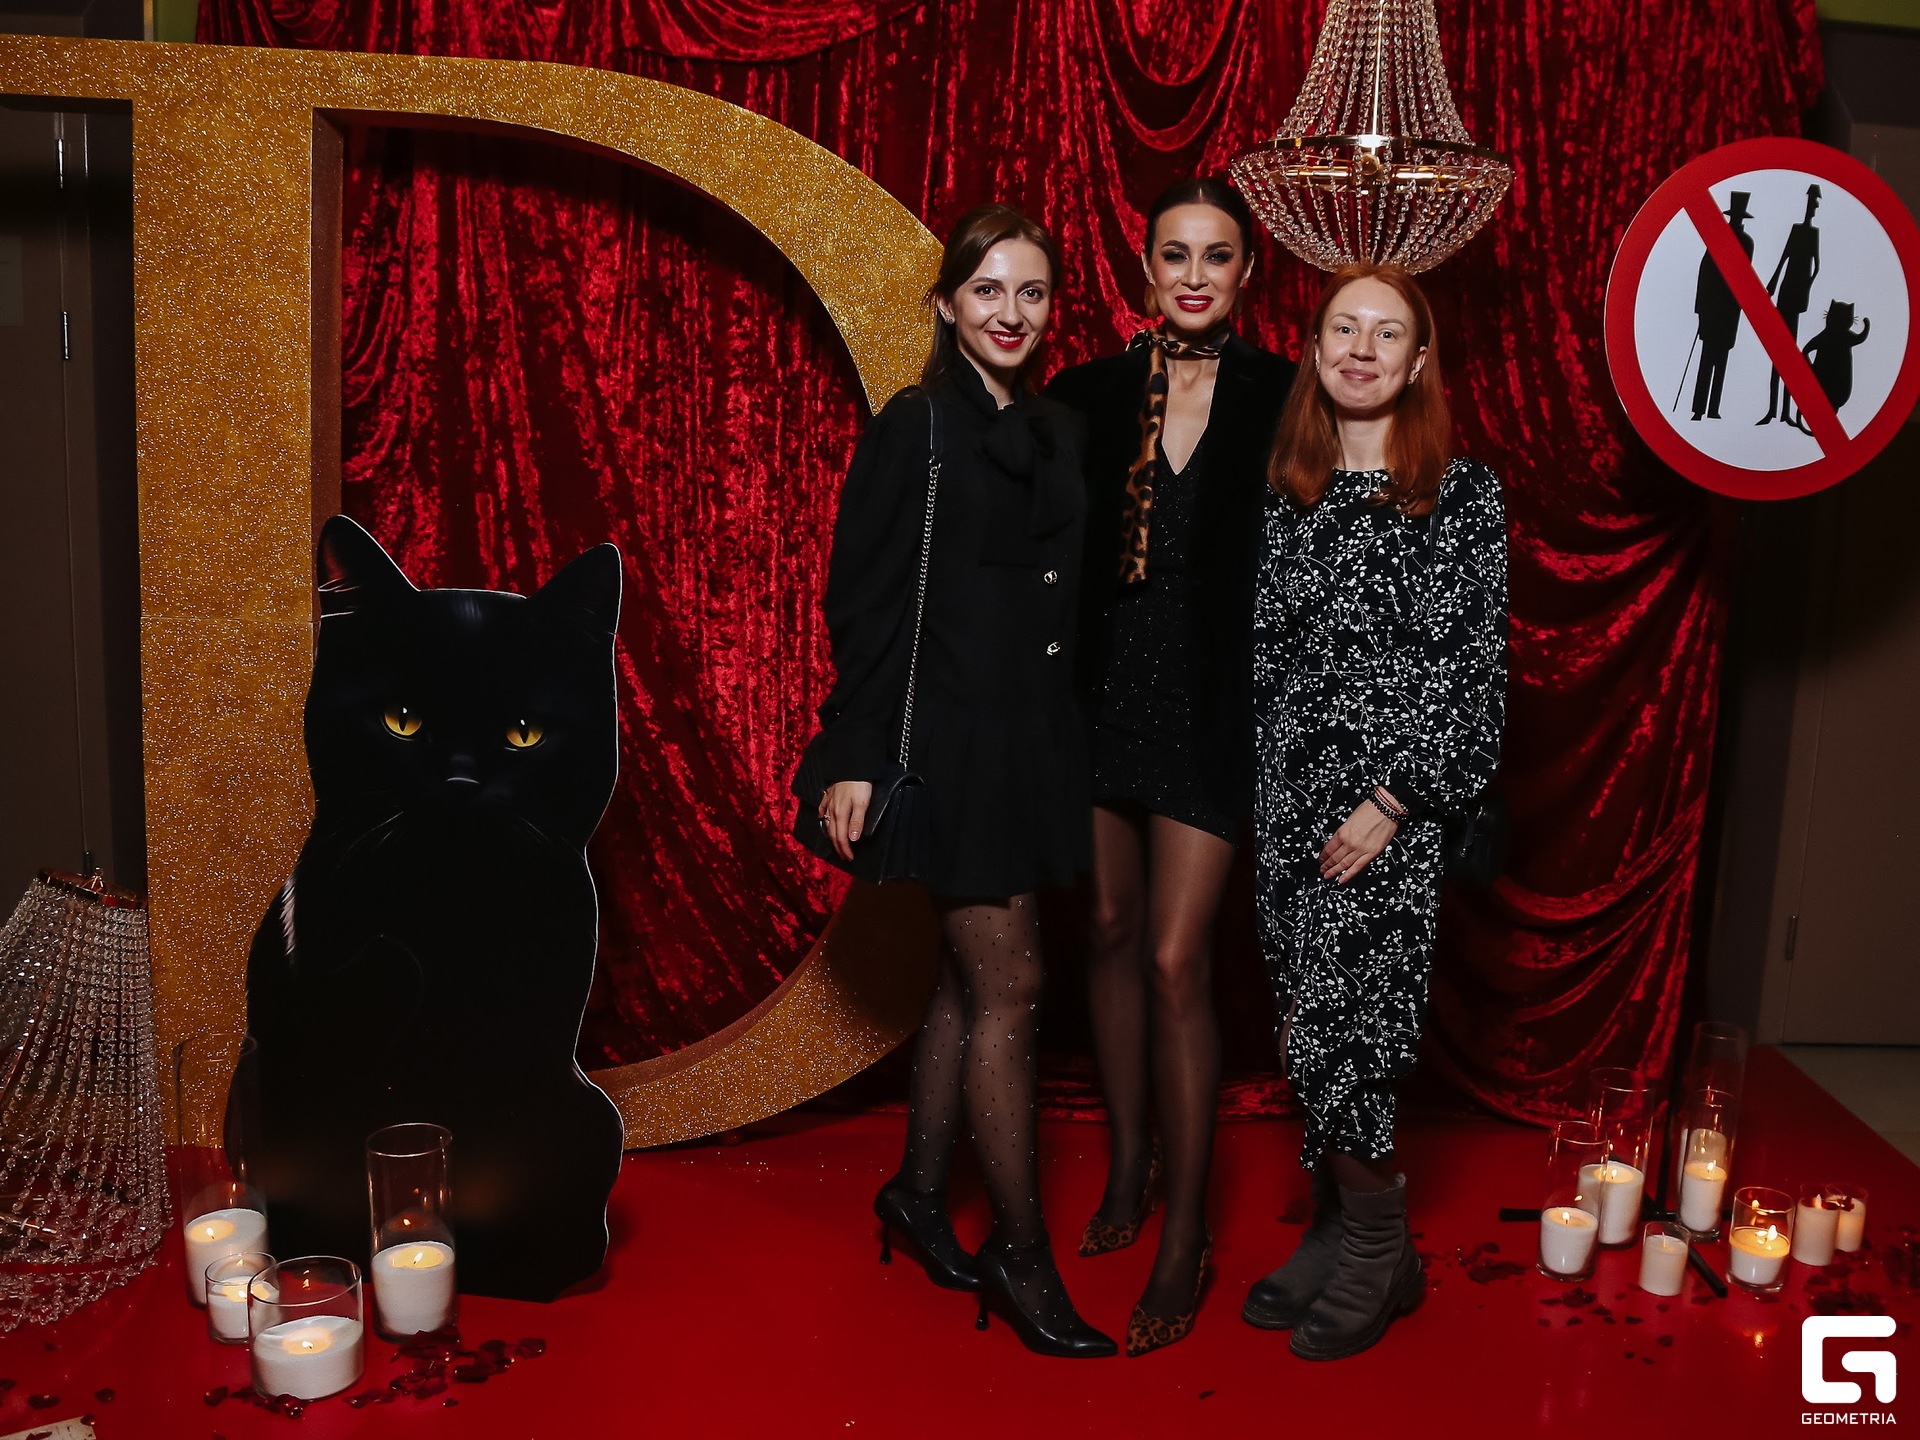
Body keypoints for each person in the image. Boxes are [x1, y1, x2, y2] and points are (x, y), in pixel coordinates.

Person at [812, 204, 1114, 1358]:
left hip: (1033, 744)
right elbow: (864, 600)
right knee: (1013, 984)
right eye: (988, 290)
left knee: (965, 979)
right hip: (949, 748)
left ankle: (917, 1194)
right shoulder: (919, 427)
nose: (1011, 313)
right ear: (946, 304)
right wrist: (855, 754)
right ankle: (1020, 1254)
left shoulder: (1059, 430)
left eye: (1031, 292)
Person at [1242, 261, 1506, 1360]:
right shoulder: (1286, 493)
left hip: (1388, 820)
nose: (1361, 348)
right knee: (1306, 1030)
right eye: (1343, 328)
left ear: (1418, 360)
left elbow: (1473, 680)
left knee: (1354, 1037)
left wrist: (1394, 802)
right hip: (1289, 812)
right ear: (1313, 349)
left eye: (1386, 332)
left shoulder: (1461, 494)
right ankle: (1341, 1230)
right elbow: (1266, 665)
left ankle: (1378, 1248)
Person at [1046, 177, 1292, 1356]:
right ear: (1145, 270)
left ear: (1247, 274)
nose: (1196, 276)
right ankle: (1131, 1159)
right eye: (1176, 255)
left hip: (1211, 712)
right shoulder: (1087, 394)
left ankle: (1188, 1232)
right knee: (1104, 928)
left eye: (1218, 256)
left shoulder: (1284, 395)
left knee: (1175, 957)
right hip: (1099, 700)